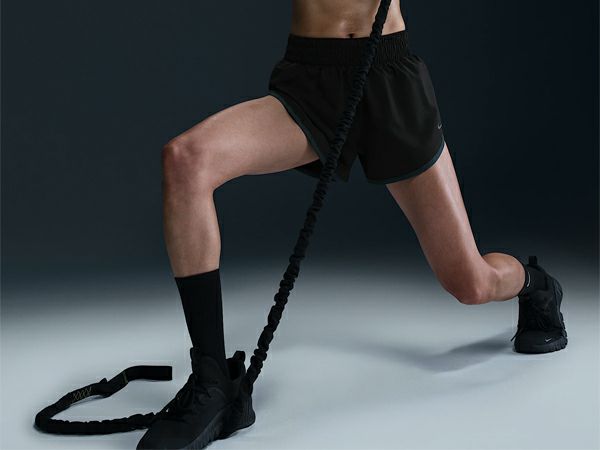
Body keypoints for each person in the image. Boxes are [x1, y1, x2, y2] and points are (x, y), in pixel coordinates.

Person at [136, 1, 567, 448]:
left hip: (389, 77)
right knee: (185, 159)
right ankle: (212, 383)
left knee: (470, 283)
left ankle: (537, 284)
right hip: (312, 80)